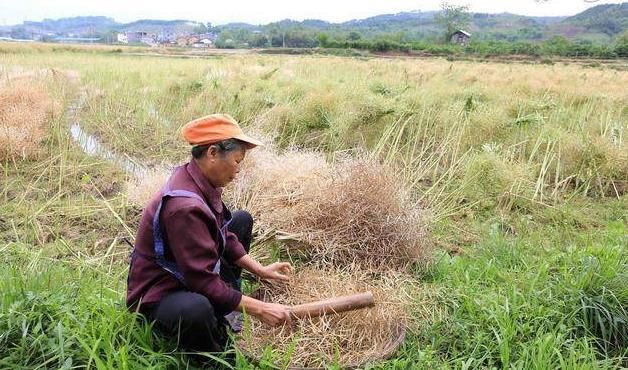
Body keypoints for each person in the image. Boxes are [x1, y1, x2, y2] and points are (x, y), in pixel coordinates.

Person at [126, 113, 292, 354]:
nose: (238, 170)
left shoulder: (198, 178)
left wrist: (259, 269)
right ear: (213, 153)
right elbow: (202, 282)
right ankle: (212, 355)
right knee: (198, 309)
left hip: (187, 270)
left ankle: (227, 301)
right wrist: (261, 308)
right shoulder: (185, 208)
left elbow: (223, 232)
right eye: (237, 161)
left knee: (240, 220)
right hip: (161, 290)